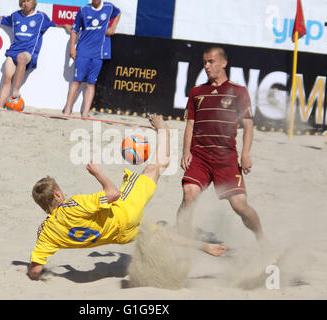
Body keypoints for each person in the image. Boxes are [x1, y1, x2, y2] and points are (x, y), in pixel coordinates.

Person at [27, 114, 227, 280]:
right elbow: (113, 193)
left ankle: (204, 246)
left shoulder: (45, 233)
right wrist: (98, 174)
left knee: (160, 234)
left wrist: (32, 273)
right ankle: (164, 131)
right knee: (153, 167)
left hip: (121, 237)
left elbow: (35, 270)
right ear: (57, 194)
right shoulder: (74, 204)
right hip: (124, 214)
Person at [177, 47, 267, 246]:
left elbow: (248, 126)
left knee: (240, 205)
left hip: (225, 158)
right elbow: (190, 125)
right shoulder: (197, 92)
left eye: (211, 62)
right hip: (199, 156)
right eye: (205, 62)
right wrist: (186, 152)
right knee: (189, 195)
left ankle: (261, 237)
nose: (207, 66)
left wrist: (245, 154)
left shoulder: (238, 91)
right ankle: (181, 243)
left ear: (223, 63)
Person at [0, 0, 71, 109]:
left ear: (33, 2)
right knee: (7, 78)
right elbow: (3, 18)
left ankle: (16, 90)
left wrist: (64, 25)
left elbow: (53, 25)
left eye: (28, 1)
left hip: (28, 53)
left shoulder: (41, 17)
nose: (25, 3)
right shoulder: (16, 16)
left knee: (21, 57)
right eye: (23, 1)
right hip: (13, 51)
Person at [62, 0, 121, 118]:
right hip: (83, 50)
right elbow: (74, 30)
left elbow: (118, 13)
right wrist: (72, 47)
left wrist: (113, 26)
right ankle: (67, 110)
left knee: (91, 83)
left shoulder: (109, 7)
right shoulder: (84, 10)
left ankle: (85, 113)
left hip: (98, 53)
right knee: (77, 81)